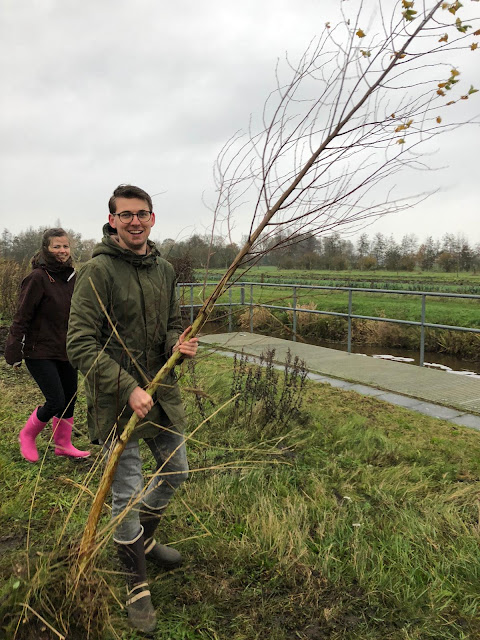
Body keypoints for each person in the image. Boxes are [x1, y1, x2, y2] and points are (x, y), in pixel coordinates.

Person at [66, 184, 198, 634]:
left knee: (176, 471)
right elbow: (79, 344)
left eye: (142, 213)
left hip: (161, 392)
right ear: (112, 221)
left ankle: (143, 538)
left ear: (153, 218)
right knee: (124, 496)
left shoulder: (163, 269)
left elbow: (171, 325)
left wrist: (177, 346)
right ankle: (135, 585)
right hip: (116, 401)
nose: (135, 221)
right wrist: (126, 388)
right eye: (126, 215)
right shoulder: (96, 271)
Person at [4, 228, 90, 463]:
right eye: (56, 247)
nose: (62, 251)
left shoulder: (72, 277)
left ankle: (63, 445)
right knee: (56, 400)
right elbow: (21, 316)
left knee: (70, 397)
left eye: (65, 246)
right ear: (46, 249)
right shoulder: (37, 278)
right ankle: (27, 435)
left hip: (65, 348)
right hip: (39, 350)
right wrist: (13, 348)